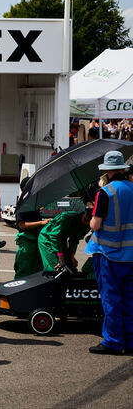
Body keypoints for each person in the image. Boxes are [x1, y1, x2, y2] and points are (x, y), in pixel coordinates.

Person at [85, 150, 133, 355]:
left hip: (107, 254)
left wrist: (90, 213)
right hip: (130, 254)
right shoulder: (132, 188)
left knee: (110, 298)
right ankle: (130, 341)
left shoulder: (104, 193)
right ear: (122, 168)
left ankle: (113, 341)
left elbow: (95, 225)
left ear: (107, 171)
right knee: (129, 298)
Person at [13, 176, 50, 279]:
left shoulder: (34, 201)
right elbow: (21, 225)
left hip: (35, 242)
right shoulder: (23, 203)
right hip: (27, 243)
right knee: (24, 273)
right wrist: (41, 223)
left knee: (36, 274)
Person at [38, 206, 93, 272]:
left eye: (90, 219)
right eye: (87, 215)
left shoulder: (89, 226)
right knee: (56, 268)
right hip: (47, 238)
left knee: (70, 266)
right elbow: (54, 237)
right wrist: (60, 257)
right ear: (84, 213)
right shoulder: (67, 216)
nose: (87, 218)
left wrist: (72, 256)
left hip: (61, 239)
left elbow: (75, 239)